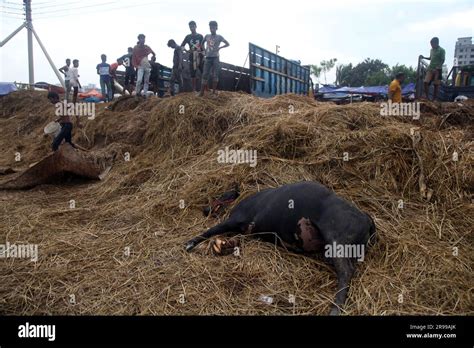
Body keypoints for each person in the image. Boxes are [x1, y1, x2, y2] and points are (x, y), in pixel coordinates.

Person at [199, 21, 230, 97]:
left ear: (216, 28)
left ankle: (213, 93)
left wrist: (220, 47)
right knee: (205, 74)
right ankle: (201, 92)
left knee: (215, 75)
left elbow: (227, 44)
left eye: (213, 27)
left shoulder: (219, 37)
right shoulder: (207, 36)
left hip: (215, 58)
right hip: (208, 58)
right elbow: (201, 43)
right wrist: (204, 50)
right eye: (210, 27)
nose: (211, 29)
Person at [181, 21, 204, 92]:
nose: (192, 28)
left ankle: (205, 88)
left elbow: (203, 46)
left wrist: (203, 54)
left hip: (200, 55)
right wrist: (186, 51)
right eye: (190, 27)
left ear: (196, 26)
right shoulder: (188, 37)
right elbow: (182, 45)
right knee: (193, 73)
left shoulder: (200, 36)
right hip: (192, 56)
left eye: (193, 26)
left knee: (203, 72)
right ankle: (193, 90)